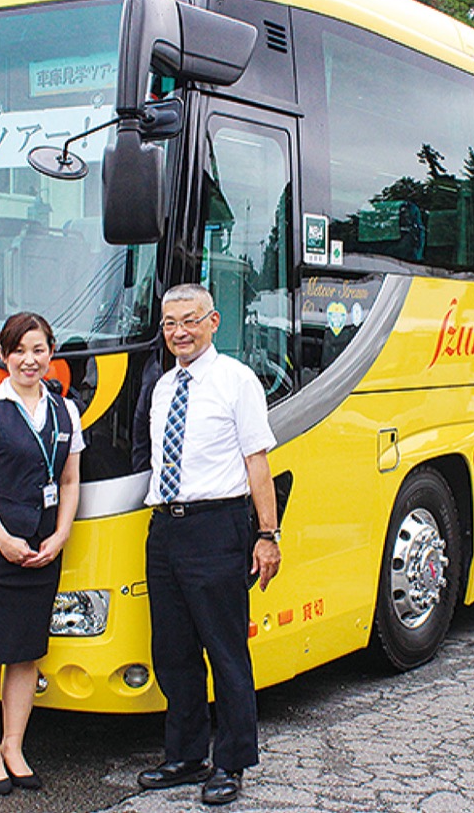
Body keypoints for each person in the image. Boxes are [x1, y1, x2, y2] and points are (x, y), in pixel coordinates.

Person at [137, 283, 282, 806]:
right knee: (173, 651)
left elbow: (256, 461)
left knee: (225, 651)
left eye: (190, 320)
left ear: (214, 321)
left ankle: (233, 761)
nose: (179, 331)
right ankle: (186, 755)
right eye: (170, 323)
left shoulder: (236, 381)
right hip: (166, 529)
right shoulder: (161, 386)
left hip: (217, 527)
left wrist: (267, 535)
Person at [0, 311, 83, 795]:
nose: (30, 360)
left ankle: (14, 745)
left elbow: (69, 480)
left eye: (39, 350)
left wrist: (62, 533)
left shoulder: (67, 411)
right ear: (3, 355)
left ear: (52, 354)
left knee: (26, 655)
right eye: (19, 350)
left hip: (42, 549)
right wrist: (4, 539)